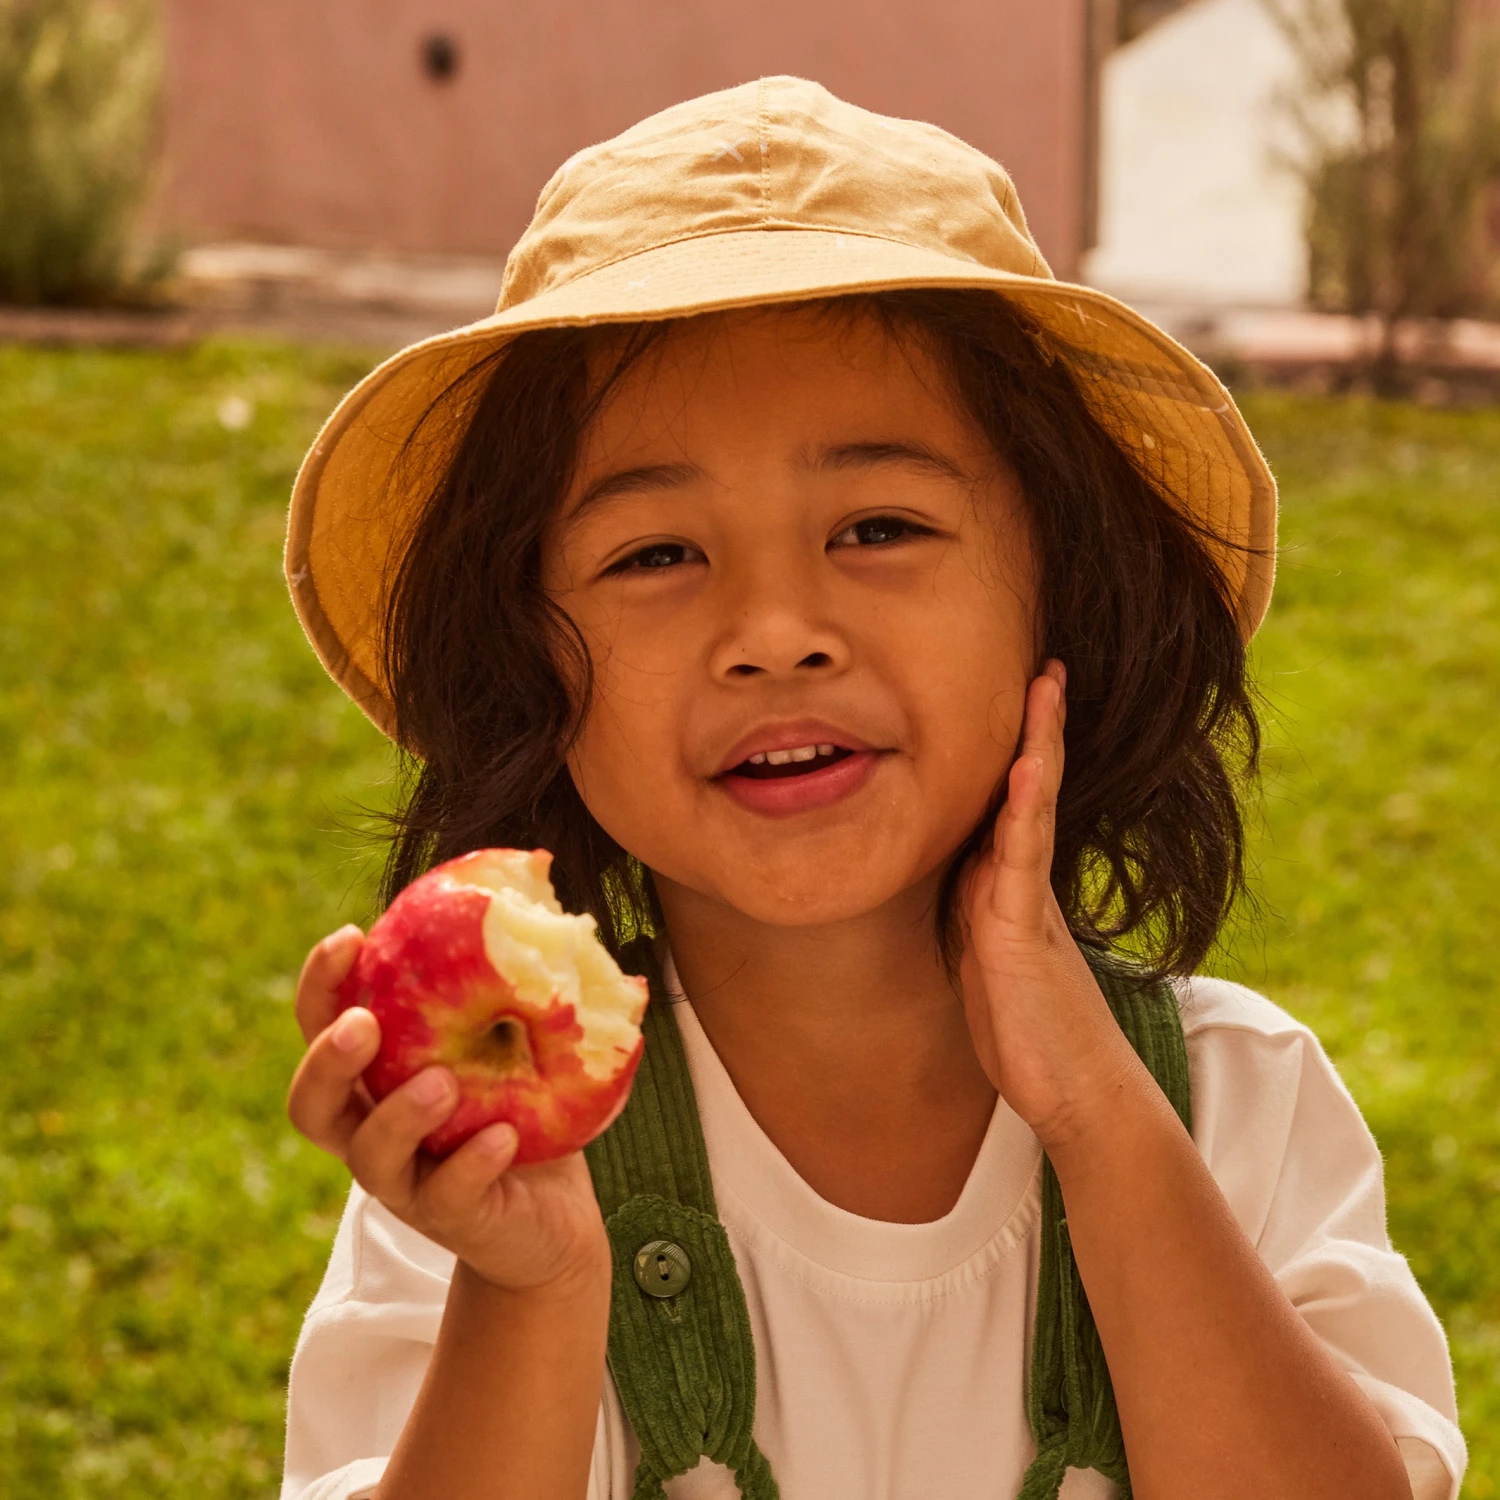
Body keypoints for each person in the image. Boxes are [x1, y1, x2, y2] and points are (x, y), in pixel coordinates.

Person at [277, 78, 1464, 1500]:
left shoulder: (1232, 1110)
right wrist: (527, 1292)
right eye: (655, 554)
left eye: (880, 525)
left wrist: (1098, 1115)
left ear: (1062, 598)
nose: (776, 628)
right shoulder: (483, 1189)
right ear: (532, 665)